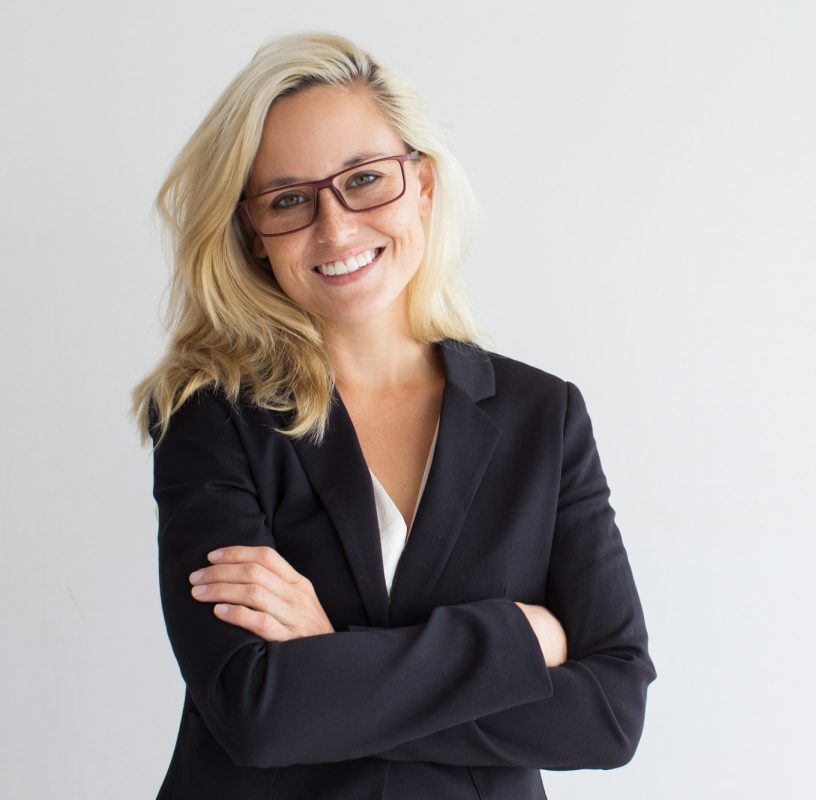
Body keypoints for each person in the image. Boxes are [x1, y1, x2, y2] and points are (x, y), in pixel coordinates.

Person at [133, 31, 655, 800]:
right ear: (253, 234)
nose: (335, 228)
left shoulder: (544, 416)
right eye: (288, 200)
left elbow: (610, 714)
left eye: (366, 180)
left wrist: (333, 652)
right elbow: (259, 711)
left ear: (425, 185)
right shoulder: (212, 418)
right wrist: (514, 643)